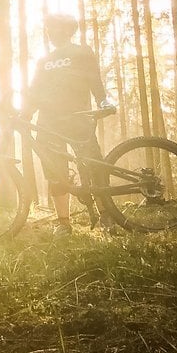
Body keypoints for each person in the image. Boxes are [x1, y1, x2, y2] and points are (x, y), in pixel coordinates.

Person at [24, 13, 113, 237]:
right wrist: (24, 114)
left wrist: (103, 100)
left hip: (78, 117)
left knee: (94, 164)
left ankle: (107, 215)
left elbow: (94, 79)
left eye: (53, 27)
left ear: (66, 30)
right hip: (48, 121)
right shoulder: (43, 61)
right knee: (55, 171)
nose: (50, 32)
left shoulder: (82, 51)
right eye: (48, 29)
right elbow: (34, 92)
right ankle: (63, 223)